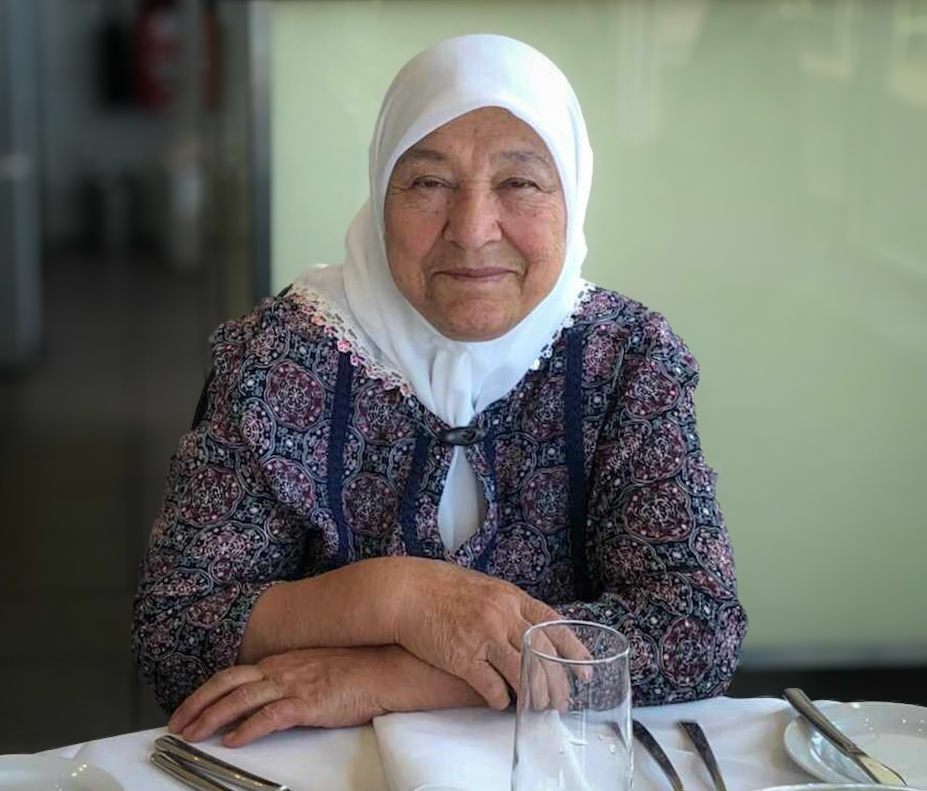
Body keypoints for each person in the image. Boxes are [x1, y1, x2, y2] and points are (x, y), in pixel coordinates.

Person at [132, 34, 747, 748]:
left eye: (518, 183)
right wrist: (396, 597)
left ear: (571, 193)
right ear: (380, 189)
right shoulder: (279, 355)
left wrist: (395, 676)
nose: (472, 229)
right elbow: (177, 631)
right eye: (428, 183)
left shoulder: (626, 360)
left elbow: (694, 627)